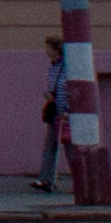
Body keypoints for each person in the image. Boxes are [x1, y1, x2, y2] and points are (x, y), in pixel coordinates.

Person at [30, 37, 67, 193]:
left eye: (48, 48)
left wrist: (66, 109)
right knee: (50, 146)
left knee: (70, 147)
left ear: (56, 49)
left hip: (65, 113)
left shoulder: (66, 67)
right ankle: (45, 178)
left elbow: (68, 88)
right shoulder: (53, 67)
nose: (46, 51)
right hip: (55, 113)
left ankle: (82, 179)